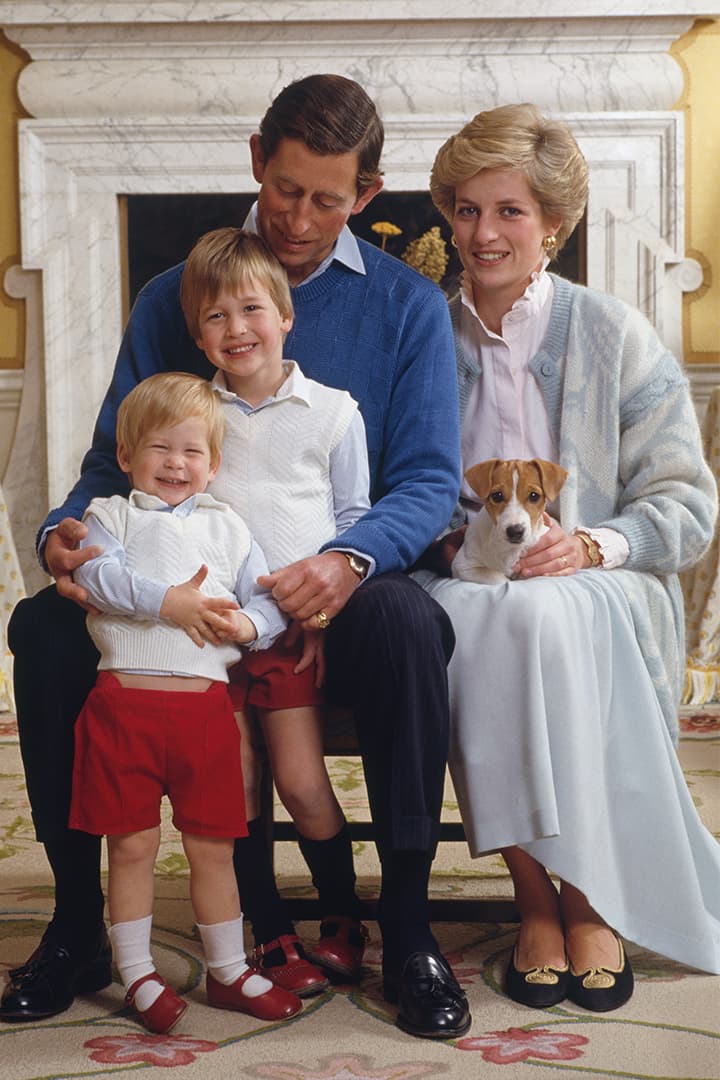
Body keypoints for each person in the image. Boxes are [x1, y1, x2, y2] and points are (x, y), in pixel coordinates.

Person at [4, 75, 468, 1039]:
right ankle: (81, 921)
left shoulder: (407, 308)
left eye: (326, 199)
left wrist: (347, 561)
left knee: (413, 623)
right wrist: (64, 529)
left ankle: (407, 923)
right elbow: (111, 456)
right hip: (192, 579)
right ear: (257, 159)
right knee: (43, 626)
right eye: (284, 187)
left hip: (343, 574)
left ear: (366, 195)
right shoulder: (180, 294)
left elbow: (424, 483)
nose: (298, 217)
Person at [412, 102, 720, 1012]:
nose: (484, 232)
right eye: (467, 209)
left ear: (554, 223)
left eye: (509, 211)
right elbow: (394, 486)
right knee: (487, 613)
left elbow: (689, 507)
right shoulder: (423, 333)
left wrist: (590, 543)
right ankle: (536, 895)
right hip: (469, 581)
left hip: (602, 584)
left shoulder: (613, 333)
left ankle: (589, 897)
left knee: (540, 610)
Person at [68, 371, 301, 1032]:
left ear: (215, 464)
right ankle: (137, 971)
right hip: (125, 710)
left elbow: (267, 599)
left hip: (204, 716)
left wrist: (249, 627)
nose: (175, 463)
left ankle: (228, 970)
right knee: (133, 847)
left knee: (213, 847)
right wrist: (170, 601)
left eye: (191, 451)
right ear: (126, 458)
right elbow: (99, 576)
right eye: (159, 449)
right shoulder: (107, 517)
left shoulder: (230, 527)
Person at [179, 227, 371, 996]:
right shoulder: (196, 415)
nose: (236, 330)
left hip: (293, 631)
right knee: (241, 782)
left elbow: (356, 519)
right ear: (198, 334)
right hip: (213, 637)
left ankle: (343, 915)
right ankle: (270, 930)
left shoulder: (332, 412)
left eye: (251, 309)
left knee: (300, 780)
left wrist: (323, 617)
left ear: (286, 316)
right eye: (216, 319)